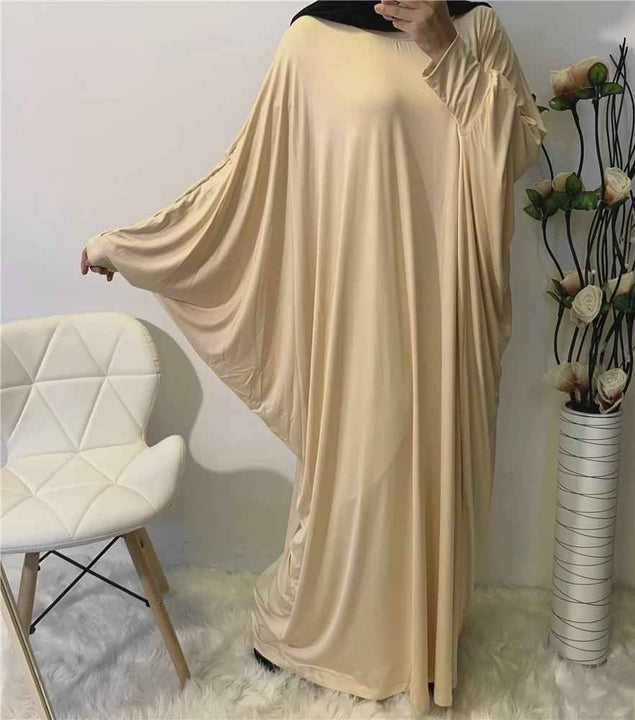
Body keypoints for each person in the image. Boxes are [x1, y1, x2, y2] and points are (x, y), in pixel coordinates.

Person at [80, 1, 547, 712]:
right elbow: (246, 179)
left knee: (439, 469)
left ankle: (419, 639)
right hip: (360, 315)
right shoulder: (312, 38)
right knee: (358, 470)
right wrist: (135, 245)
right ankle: (329, 638)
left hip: (453, 313)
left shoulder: (474, 24)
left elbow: (516, 152)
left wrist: (448, 51)